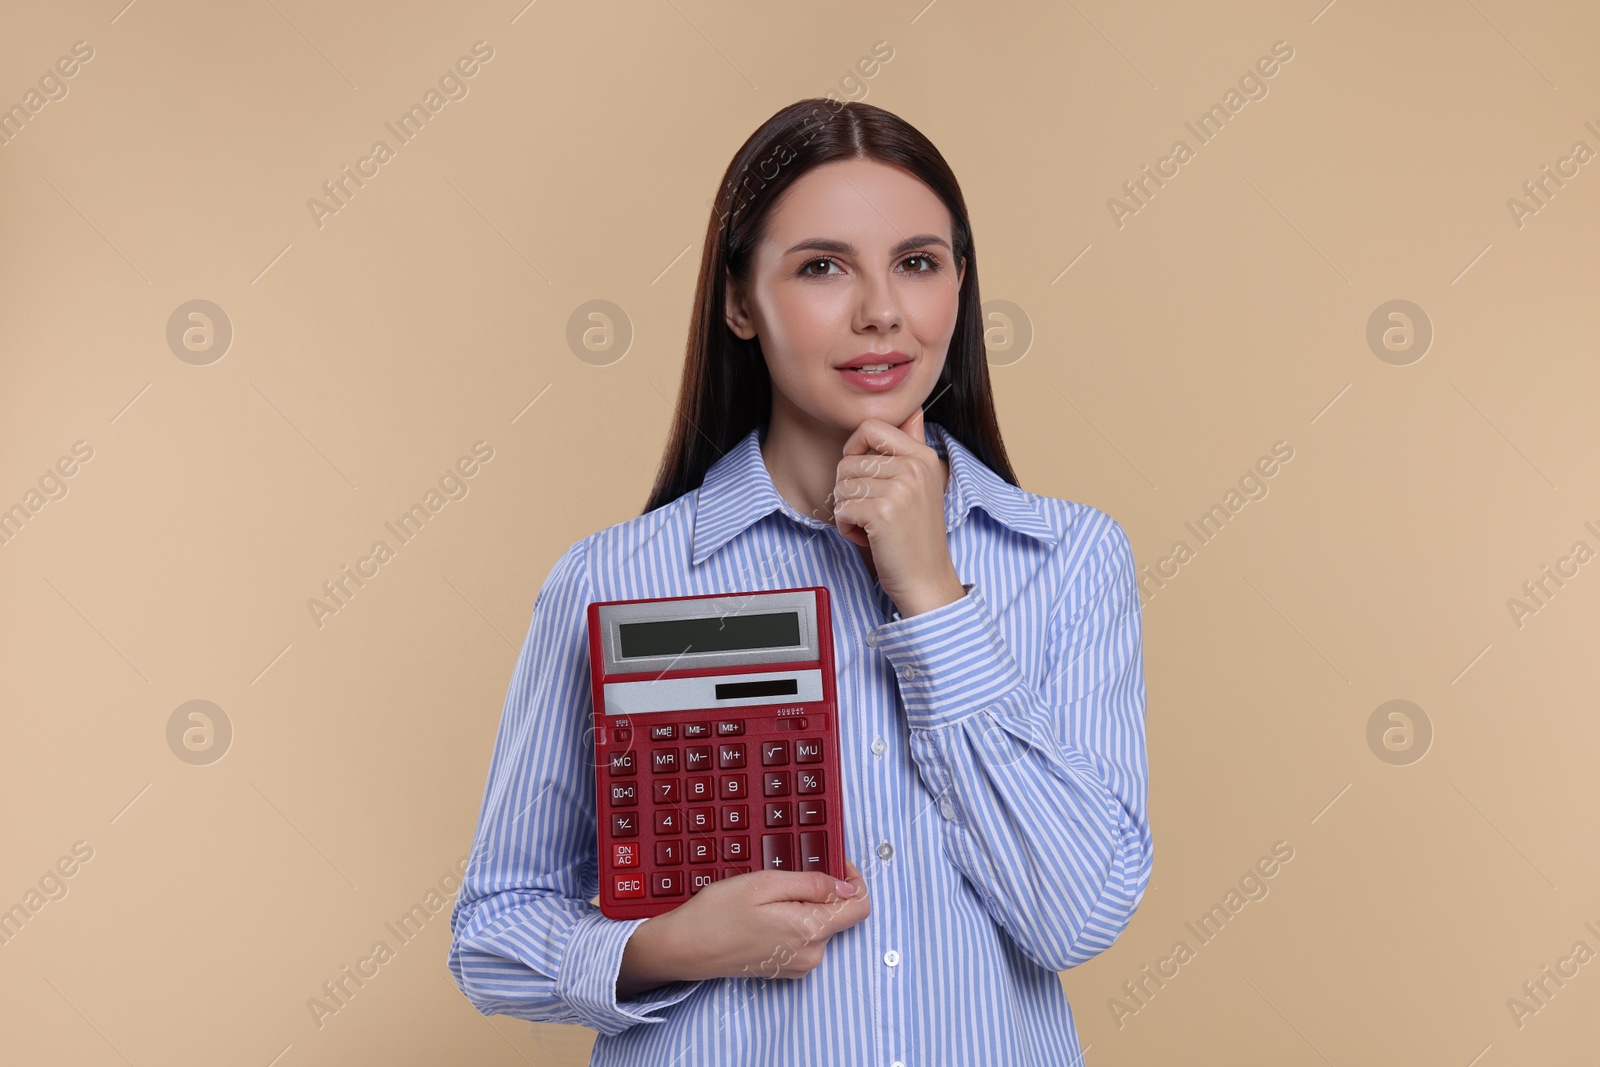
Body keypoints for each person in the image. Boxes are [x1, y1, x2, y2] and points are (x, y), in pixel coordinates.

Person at [446, 98, 1152, 1066]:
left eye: (918, 261)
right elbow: (495, 924)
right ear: (739, 300)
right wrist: (660, 947)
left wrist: (932, 594)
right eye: (822, 265)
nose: (881, 311)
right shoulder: (617, 576)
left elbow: (1074, 914)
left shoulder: (1068, 559)